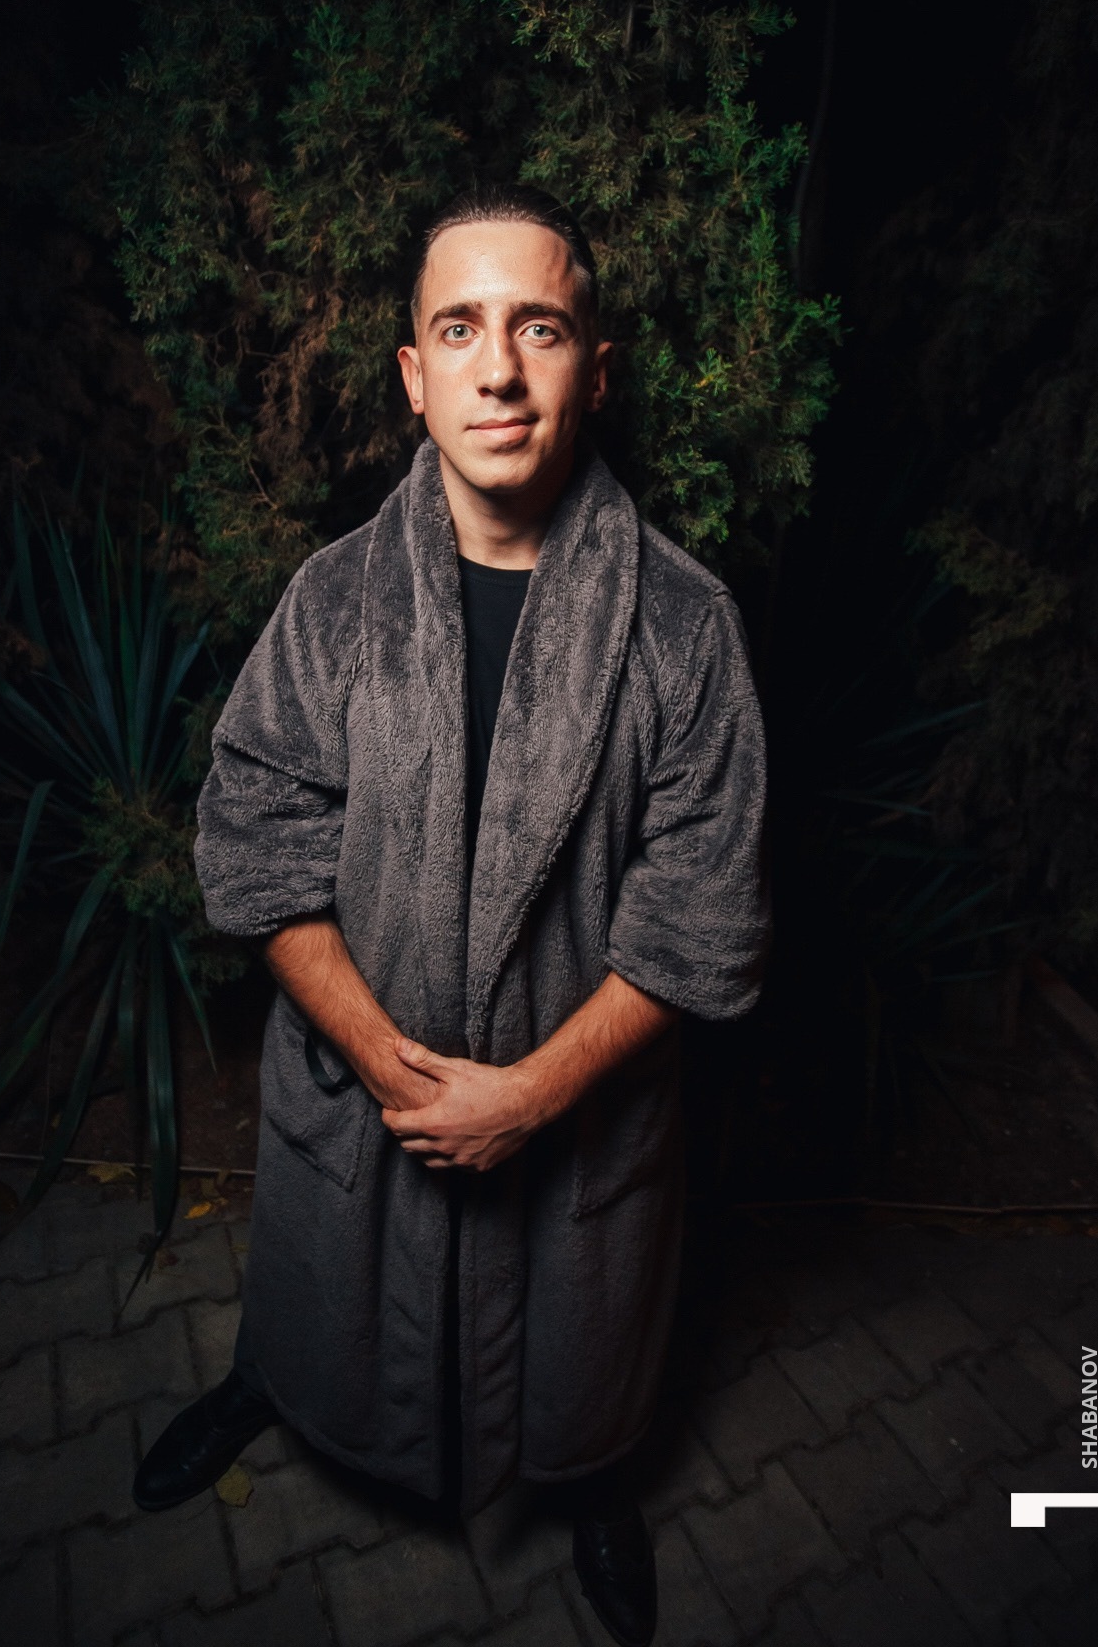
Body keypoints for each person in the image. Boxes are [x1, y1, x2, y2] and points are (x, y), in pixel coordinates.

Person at [132, 184, 769, 1647]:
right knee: (315, 1289)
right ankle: (266, 1382)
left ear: (593, 371)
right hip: (362, 1092)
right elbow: (255, 844)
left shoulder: (685, 628)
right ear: (416, 377)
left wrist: (534, 1095)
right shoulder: (335, 601)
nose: (500, 371)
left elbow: (704, 916)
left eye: (538, 327)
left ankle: (596, 1476)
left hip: (578, 1118)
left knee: (585, 1355)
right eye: (462, 330)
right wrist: (381, 1058)